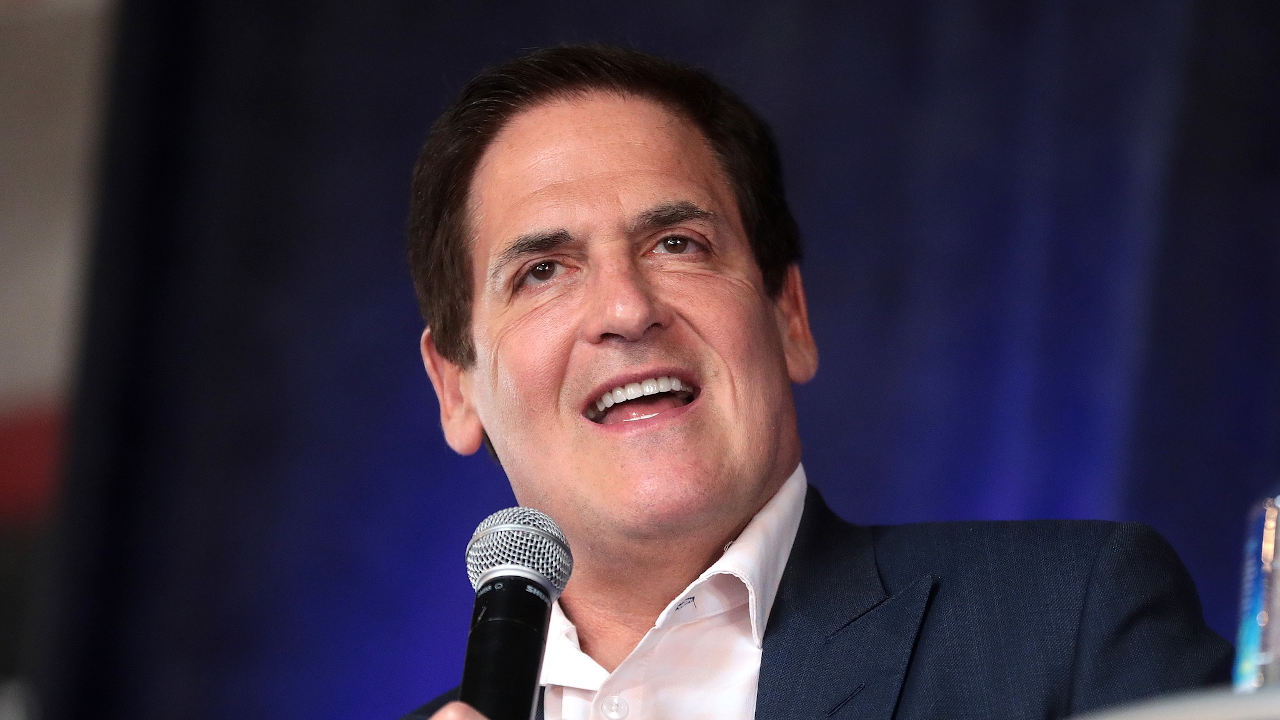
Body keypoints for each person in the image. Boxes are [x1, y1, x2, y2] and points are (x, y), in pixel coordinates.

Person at [403, 45, 1230, 720]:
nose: (626, 308)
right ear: (456, 389)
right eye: (544, 271)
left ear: (789, 315)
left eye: (678, 244)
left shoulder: (1071, 620)